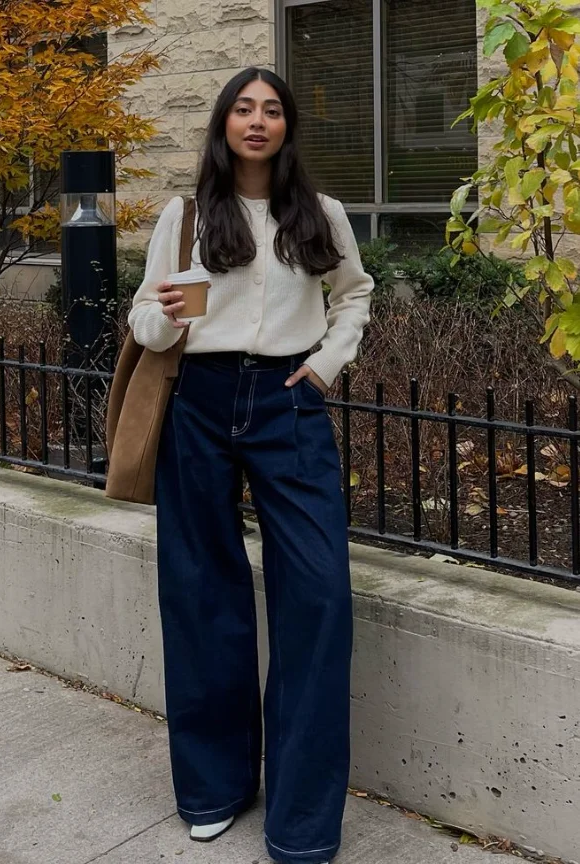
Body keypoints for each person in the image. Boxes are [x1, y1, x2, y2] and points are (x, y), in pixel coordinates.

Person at [127, 66, 373, 864]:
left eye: (271, 109)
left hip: (288, 401)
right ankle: (213, 788)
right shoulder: (188, 214)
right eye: (244, 108)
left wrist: (329, 362)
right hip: (198, 399)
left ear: (287, 125)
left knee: (318, 595)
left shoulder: (321, 212)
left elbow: (355, 293)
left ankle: (301, 823)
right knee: (201, 590)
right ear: (225, 124)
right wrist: (163, 321)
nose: (257, 121)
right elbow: (144, 311)